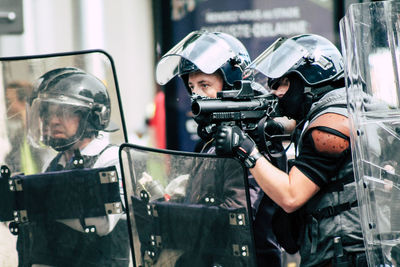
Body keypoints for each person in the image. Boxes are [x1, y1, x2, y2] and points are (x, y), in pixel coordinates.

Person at [215, 34, 367, 266]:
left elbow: (291, 195)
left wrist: (245, 149)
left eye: (284, 83)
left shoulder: (329, 127)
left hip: (346, 254)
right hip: (344, 249)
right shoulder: (344, 110)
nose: (275, 92)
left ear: (310, 81)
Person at [156, 30, 286, 267]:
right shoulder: (211, 141)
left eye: (205, 85)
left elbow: (235, 216)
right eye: (192, 87)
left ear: (232, 85)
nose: (197, 95)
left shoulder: (246, 140)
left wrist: (169, 216)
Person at [17, 67, 130, 267]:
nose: (53, 121)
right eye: (47, 113)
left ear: (92, 117)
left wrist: (39, 207)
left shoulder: (111, 159)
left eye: (64, 112)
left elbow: (103, 223)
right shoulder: (53, 163)